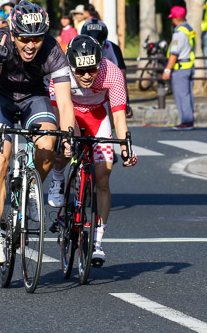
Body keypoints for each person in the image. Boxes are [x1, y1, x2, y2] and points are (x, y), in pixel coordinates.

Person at [0, 0, 75, 265]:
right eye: (24, 38)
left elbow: (66, 102)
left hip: (33, 97)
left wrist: (67, 135)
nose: (31, 45)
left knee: (49, 142)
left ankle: (30, 190)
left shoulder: (52, 49)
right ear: (13, 33)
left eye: (36, 38)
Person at [48, 35, 137, 264]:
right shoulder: (61, 72)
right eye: (80, 71)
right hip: (71, 114)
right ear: (70, 66)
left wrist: (126, 148)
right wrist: (67, 141)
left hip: (98, 117)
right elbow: (60, 111)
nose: (87, 76)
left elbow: (118, 116)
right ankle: (58, 179)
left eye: (92, 70)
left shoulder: (112, 72)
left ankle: (97, 242)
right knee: (65, 146)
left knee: (104, 176)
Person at [80, 18, 133, 118]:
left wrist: (126, 101)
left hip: (105, 82)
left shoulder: (112, 47)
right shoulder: (76, 46)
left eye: (100, 45)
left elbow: (122, 74)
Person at [161, 6, 196, 130]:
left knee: (182, 95)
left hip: (180, 67)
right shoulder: (189, 29)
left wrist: (167, 70)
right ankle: (189, 120)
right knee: (187, 94)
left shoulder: (179, 33)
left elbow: (174, 53)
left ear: (175, 19)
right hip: (189, 65)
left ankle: (186, 121)